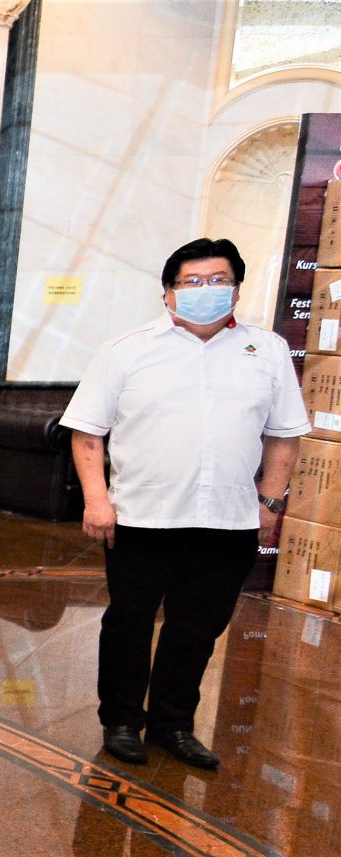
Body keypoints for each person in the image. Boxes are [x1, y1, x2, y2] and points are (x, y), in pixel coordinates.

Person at [60, 238, 306, 770]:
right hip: (142, 517)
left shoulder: (267, 351)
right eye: (192, 282)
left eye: (218, 280)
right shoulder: (126, 350)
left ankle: (173, 724)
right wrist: (97, 500)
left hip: (228, 519)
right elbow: (87, 432)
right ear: (168, 293)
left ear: (236, 290)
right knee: (129, 622)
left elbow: (284, 435)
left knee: (197, 628)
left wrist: (270, 502)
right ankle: (121, 721)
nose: (205, 290)